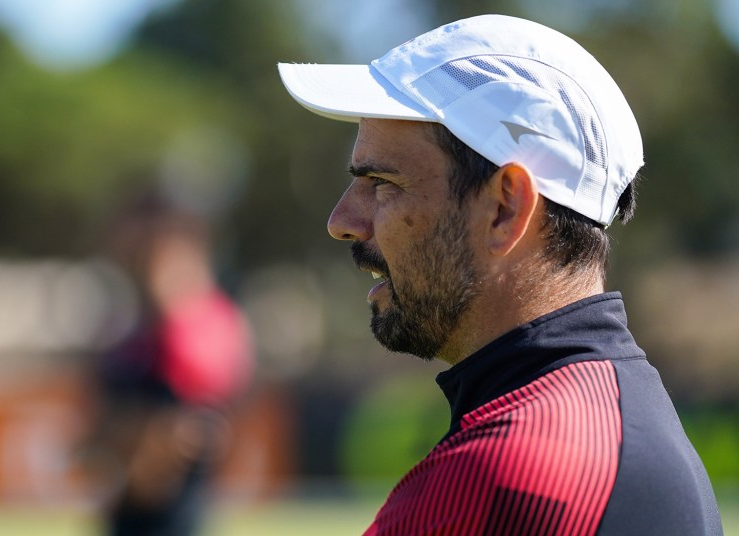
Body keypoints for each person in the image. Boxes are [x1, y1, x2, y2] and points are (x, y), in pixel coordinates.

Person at [278, 14, 722, 535]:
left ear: (505, 208)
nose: (342, 222)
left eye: (381, 182)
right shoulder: (619, 413)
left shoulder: (509, 471)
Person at [75, 195, 254, 536]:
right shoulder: (127, 333)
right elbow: (92, 433)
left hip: (171, 513)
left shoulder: (202, 331)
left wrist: (158, 439)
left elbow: (212, 429)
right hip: (126, 509)